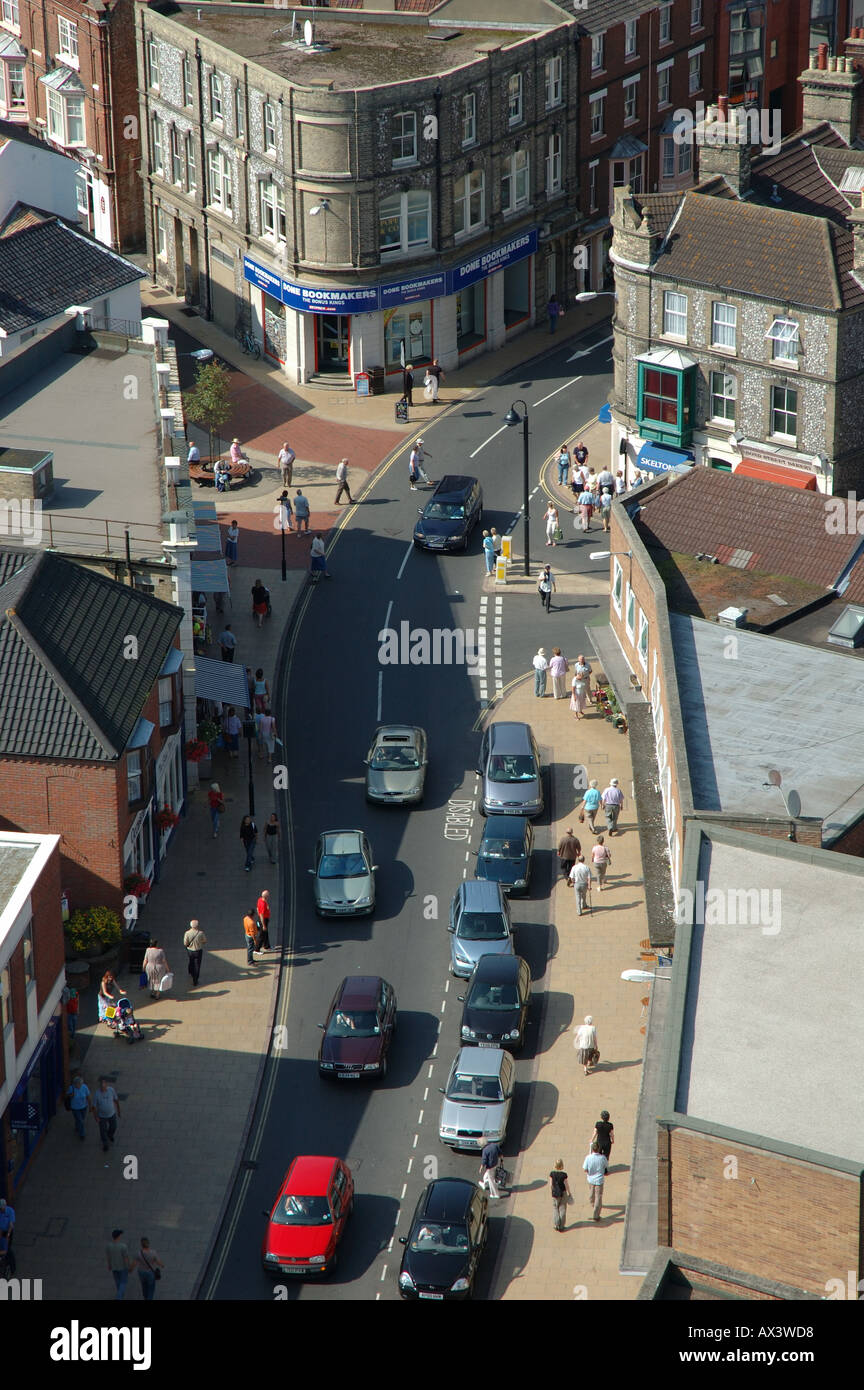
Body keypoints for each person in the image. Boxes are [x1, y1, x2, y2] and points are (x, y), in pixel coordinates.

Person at [92, 1076, 121, 1153]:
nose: (103, 1088)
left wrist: (118, 1111)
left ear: (106, 1085)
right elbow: (94, 1107)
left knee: (114, 1127)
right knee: (102, 1130)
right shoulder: (97, 1094)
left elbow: (116, 1100)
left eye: (104, 1086)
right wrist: (96, 1117)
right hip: (102, 1116)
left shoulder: (111, 1090)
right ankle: (105, 1144)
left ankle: (110, 1135)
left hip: (112, 1114)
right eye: (101, 1086)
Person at [583, 1141, 608, 1220]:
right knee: (598, 1196)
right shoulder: (603, 1158)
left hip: (590, 1180)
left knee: (592, 1194)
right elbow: (606, 1166)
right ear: (599, 1149)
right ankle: (596, 1214)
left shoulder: (588, 1157)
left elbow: (585, 1169)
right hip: (599, 1180)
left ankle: (592, 1203)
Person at [106, 1230, 132, 1300]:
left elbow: (108, 1257)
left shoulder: (109, 1246)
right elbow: (126, 1258)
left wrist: (109, 1265)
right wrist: (129, 1267)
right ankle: (119, 1297)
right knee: (123, 1283)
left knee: (118, 1283)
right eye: (120, 1235)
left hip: (114, 1267)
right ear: (119, 1236)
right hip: (123, 1268)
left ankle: (120, 1295)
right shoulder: (123, 1246)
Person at [183, 919, 207, 987]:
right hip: (198, 951)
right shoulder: (200, 933)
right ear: (197, 926)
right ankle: (195, 979)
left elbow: (185, 943)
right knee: (197, 965)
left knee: (191, 961)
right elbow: (205, 941)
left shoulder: (187, 933)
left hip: (190, 950)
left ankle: (190, 971)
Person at [550, 1159, 571, 1232]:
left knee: (555, 1208)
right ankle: (561, 1226)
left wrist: (552, 1191)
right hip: (563, 1193)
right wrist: (569, 1193)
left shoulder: (552, 1174)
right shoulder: (564, 1175)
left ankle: (556, 1224)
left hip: (555, 1194)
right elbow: (566, 1185)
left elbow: (551, 1185)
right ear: (562, 1165)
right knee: (562, 1209)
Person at [67, 1074, 90, 1139]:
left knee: (81, 1119)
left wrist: (90, 1105)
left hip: (84, 1107)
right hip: (75, 1108)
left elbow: (88, 1096)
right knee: (81, 1121)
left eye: (80, 1084)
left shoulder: (84, 1087)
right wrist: (71, 1095)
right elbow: (68, 1095)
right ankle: (82, 1134)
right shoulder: (71, 1088)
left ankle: (77, 1126)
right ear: (75, 1084)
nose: (79, 1086)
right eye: (78, 1084)